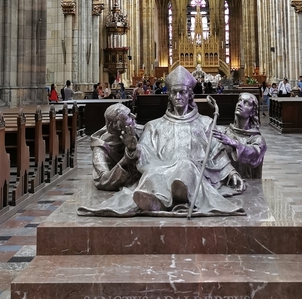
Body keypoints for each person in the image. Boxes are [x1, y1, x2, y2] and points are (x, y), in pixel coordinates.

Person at [80, 65, 246, 217]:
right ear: (169, 95)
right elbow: (144, 155)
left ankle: (176, 193)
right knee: (151, 173)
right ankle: (157, 199)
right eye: (174, 92)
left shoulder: (205, 122)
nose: (178, 96)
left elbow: (216, 151)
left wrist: (230, 172)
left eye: (182, 92)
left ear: (190, 95)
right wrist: (132, 148)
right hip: (160, 170)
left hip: (191, 170)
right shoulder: (154, 125)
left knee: (185, 166)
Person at [89, 103, 142, 190]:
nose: (133, 116)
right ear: (116, 125)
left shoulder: (139, 131)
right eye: (127, 116)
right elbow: (102, 180)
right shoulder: (100, 150)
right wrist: (126, 158)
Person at [214, 92, 266, 180]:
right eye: (240, 101)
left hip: (249, 187)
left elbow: (253, 155)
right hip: (225, 184)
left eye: (246, 103)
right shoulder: (224, 132)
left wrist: (233, 143)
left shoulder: (257, 139)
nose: (240, 104)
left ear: (252, 112)